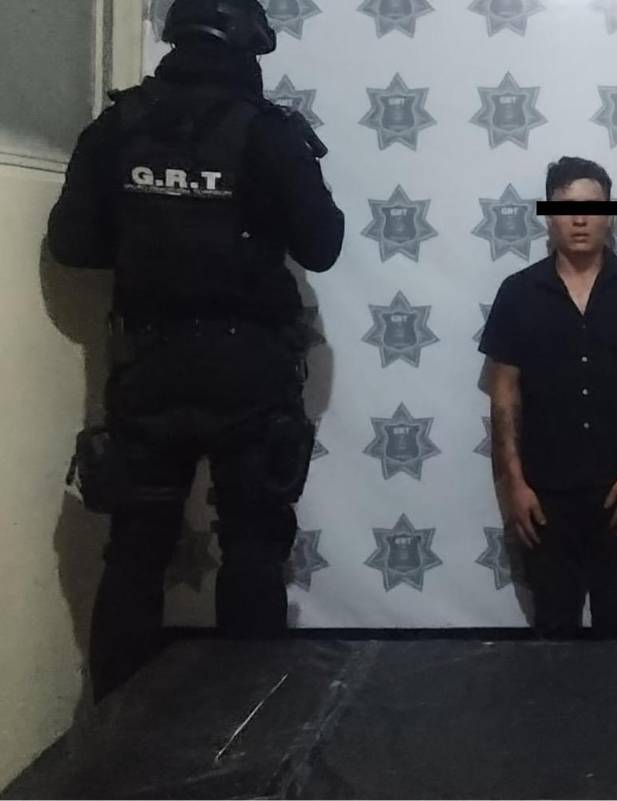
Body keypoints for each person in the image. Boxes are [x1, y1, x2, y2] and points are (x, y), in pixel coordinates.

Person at [47, 0, 344, 701]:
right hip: (248, 369)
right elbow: (323, 245)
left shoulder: (120, 125)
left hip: (149, 365)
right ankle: (249, 732)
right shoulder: (268, 133)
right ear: (247, 42)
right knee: (253, 548)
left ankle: (116, 736)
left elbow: (72, 244)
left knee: (135, 551)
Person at [478, 156, 617, 637]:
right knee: (552, 628)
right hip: (543, 493)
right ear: (547, 215)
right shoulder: (518, 293)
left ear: (611, 215)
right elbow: (503, 394)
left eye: (593, 207)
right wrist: (514, 485)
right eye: (565, 208)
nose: (579, 219)